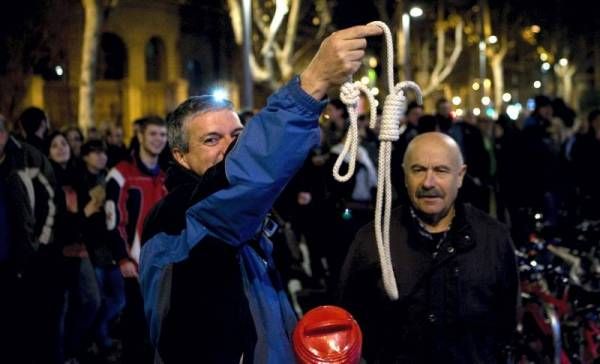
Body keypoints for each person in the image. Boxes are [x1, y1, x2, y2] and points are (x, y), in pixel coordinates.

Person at [139, 24, 383, 364]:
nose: (230, 147)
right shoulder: (183, 213)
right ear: (180, 156)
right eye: (211, 140)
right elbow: (244, 175)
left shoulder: (247, 217)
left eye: (238, 134)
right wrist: (312, 83)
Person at [339, 132, 519, 363]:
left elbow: (506, 324)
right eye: (418, 170)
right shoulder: (373, 239)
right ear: (405, 176)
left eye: (441, 171)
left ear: (460, 176)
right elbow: (347, 320)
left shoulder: (493, 238)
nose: (428, 183)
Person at [0, 114, 63, 363]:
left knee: (24, 326)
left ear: (3, 135)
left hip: (22, 258)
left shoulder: (26, 157)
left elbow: (52, 199)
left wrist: (41, 242)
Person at [104, 115, 168, 362]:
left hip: (163, 264)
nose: (158, 139)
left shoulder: (166, 175)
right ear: (140, 136)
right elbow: (113, 219)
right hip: (135, 266)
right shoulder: (121, 174)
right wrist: (122, 257)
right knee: (137, 328)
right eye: (153, 134)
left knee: (160, 327)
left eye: (162, 135)